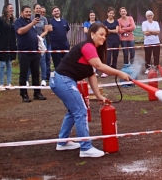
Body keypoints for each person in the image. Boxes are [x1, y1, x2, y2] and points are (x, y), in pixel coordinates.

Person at [51, 23, 130, 158]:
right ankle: (86, 148)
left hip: (61, 80)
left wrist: (98, 95)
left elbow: (91, 74)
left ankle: (62, 142)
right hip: (63, 80)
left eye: (105, 35)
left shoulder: (93, 49)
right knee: (81, 110)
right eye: (101, 34)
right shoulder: (88, 46)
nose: (103, 38)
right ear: (92, 34)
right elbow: (99, 66)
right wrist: (120, 73)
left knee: (73, 111)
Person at [14, 5, 49, 103]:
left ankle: (37, 93)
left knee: (36, 73)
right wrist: (32, 24)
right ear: (22, 12)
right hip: (24, 52)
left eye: (30, 12)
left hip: (35, 52)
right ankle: (24, 94)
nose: (29, 13)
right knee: (24, 74)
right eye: (26, 12)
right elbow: (20, 31)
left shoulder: (31, 22)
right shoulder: (18, 22)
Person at [0, 3, 17, 91]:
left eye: (12, 8)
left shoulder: (13, 21)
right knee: (2, 64)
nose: (12, 9)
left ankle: (9, 83)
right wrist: (0, 42)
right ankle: (1, 84)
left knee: (9, 64)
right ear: (6, 9)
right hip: (2, 45)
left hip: (11, 45)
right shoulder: (0, 20)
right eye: (10, 8)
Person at [30, 4, 51, 86]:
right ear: (34, 10)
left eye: (39, 8)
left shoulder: (44, 19)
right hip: (32, 41)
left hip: (42, 40)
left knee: (43, 60)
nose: (38, 10)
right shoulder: (31, 18)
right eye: (36, 8)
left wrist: (39, 37)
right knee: (31, 60)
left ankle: (43, 79)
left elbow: (46, 31)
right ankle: (30, 79)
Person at [82, 10, 106, 77]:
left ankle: (101, 71)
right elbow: (85, 31)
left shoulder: (98, 22)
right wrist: (95, 30)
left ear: (95, 16)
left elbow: (101, 30)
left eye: (93, 15)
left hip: (98, 42)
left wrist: (91, 29)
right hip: (89, 42)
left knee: (99, 56)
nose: (92, 16)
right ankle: (92, 71)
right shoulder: (86, 23)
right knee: (91, 57)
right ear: (89, 16)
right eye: (91, 15)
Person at [40, 7, 52, 82]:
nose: (42, 14)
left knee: (48, 59)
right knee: (42, 60)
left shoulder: (46, 19)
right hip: (40, 41)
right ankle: (43, 76)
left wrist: (46, 29)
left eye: (44, 12)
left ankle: (47, 75)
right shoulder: (36, 20)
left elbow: (50, 29)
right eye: (41, 12)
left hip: (48, 41)